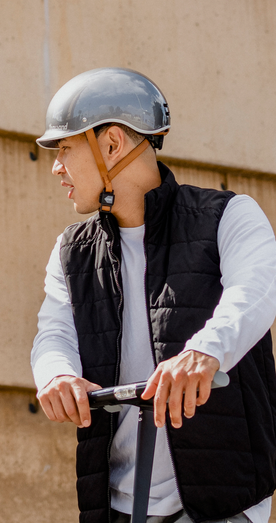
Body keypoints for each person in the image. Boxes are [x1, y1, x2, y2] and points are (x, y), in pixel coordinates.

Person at [31, 68, 276, 523]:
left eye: (65, 148)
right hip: (118, 503)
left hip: (222, 501)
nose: (56, 166)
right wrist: (55, 375)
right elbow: (54, 332)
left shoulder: (229, 215)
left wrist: (206, 350)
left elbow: (256, 290)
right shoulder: (70, 251)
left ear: (112, 144)